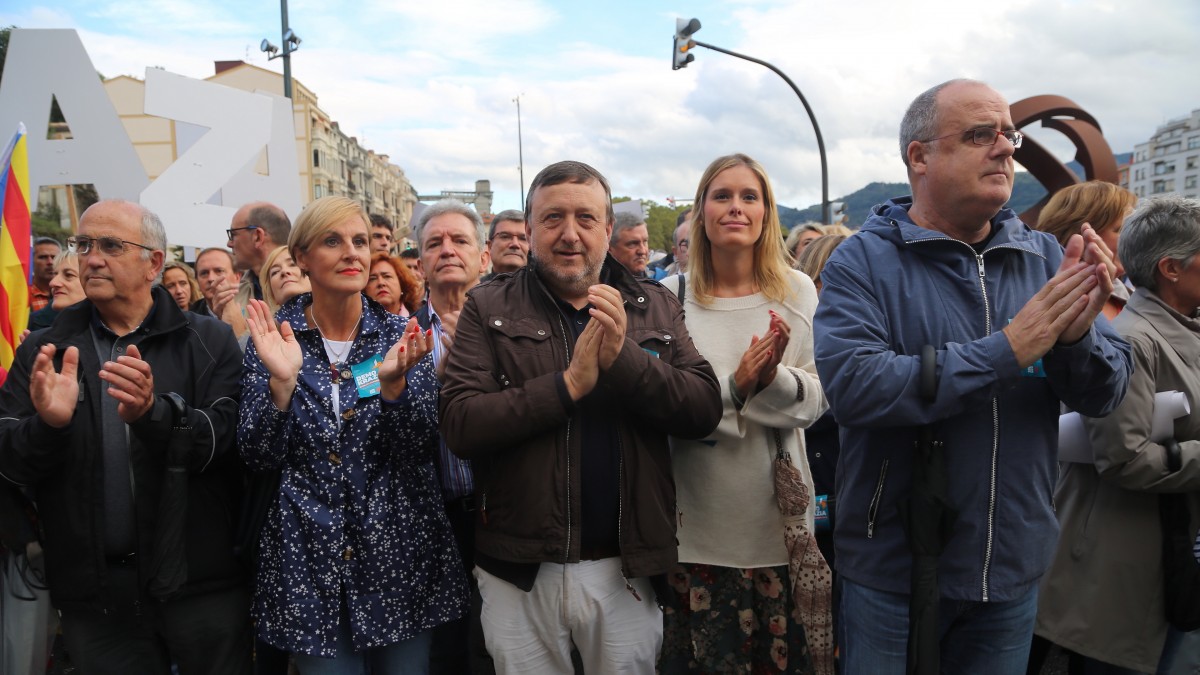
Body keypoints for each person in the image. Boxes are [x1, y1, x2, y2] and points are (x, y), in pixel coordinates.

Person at [812, 79, 1132, 674]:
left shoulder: (1042, 258)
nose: (1006, 149)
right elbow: (856, 388)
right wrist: (1007, 350)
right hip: (893, 569)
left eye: (1008, 135)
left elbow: (1108, 391)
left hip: (1012, 568)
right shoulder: (861, 260)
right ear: (919, 156)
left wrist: (1075, 338)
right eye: (980, 135)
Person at [439, 160, 722, 674]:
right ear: (529, 229)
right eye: (553, 219)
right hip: (519, 571)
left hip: (627, 570)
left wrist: (624, 359)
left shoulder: (653, 304)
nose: (570, 234)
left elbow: (703, 408)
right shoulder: (487, 305)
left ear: (608, 229)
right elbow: (461, 423)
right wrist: (566, 388)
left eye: (586, 219)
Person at [0, 199, 250, 675]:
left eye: (111, 245)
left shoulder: (208, 339)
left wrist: (154, 415)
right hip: (95, 597)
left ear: (153, 262)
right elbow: (8, 458)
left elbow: (224, 444)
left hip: (201, 588)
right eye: (84, 244)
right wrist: (48, 427)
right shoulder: (46, 347)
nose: (91, 258)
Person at [239, 195, 466, 673]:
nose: (352, 253)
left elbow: (418, 448)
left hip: (398, 559)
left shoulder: (397, 333)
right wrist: (281, 386)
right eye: (332, 241)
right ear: (301, 257)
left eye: (360, 241)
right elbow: (258, 455)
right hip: (309, 565)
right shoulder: (273, 338)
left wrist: (394, 388)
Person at [659, 153, 830, 674]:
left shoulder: (797, 291)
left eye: (749, 197)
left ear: (766, 212)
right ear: (703, 212)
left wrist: (772, 378)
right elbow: (661, 407)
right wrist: (735, 388)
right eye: (722, 196)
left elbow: (819, 400)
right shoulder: (669, 297)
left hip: (776, 524)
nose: (736, 207)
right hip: (693, 524)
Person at [1034, 196, 1200, 674]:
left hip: (1162, 558)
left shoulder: (1182, 326)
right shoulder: (1134, 338)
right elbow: (1123, 458)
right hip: (1120, 569)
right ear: (1171, 268)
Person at [409, 199, 491, 675]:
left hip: (499, 512)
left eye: (459, 240)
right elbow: (375, 418)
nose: (447, 250)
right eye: (434, 243)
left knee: (496, 647)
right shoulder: (394, 336)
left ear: (483, 257)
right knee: (442, 654)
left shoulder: (516, 334)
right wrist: (433, 383)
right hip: (429, 519)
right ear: (419, 263)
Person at [1037, 181, 1137, 320]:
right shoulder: (1040, 298)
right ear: (1081, 234)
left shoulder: (1133, 298)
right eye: (1120, 229)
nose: (1133, 237)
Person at [227, 201, 292, 307]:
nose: (229, 244)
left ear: (258, 237)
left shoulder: (312, 286)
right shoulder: (233, 294)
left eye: (233, 234)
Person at [27, 250, 85, 330]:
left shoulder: (106, 327)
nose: (53, 283)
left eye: (69, 275)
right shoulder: (31, 325)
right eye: (55, 274)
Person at [258, 245, 311, 316]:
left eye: (292, 264)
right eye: (275, 272)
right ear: (272, 295)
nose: (284, 271)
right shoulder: (268, 326)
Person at [365, 252, 420, 319]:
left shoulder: (421, 319)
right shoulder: (358, 326)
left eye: (387, 276)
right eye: (372, 279)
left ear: (402, 284)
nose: (381, 283)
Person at [484, 209, 528, 279]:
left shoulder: (547, 289)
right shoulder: (473, 289)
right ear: (490, 246)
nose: (515, 244)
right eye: (505, 237)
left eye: (523, 238)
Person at [608, 211, 651, 278]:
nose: (642, 251)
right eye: (633, 244)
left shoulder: (656, 285)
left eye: (645, 242)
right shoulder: (594, 285)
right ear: (610, 248)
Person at [28, 237, 61, 311]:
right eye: (43, 257)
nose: (50, 262)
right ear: (31, 260)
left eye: (54, 257)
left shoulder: (73, 292)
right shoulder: (22, 295)